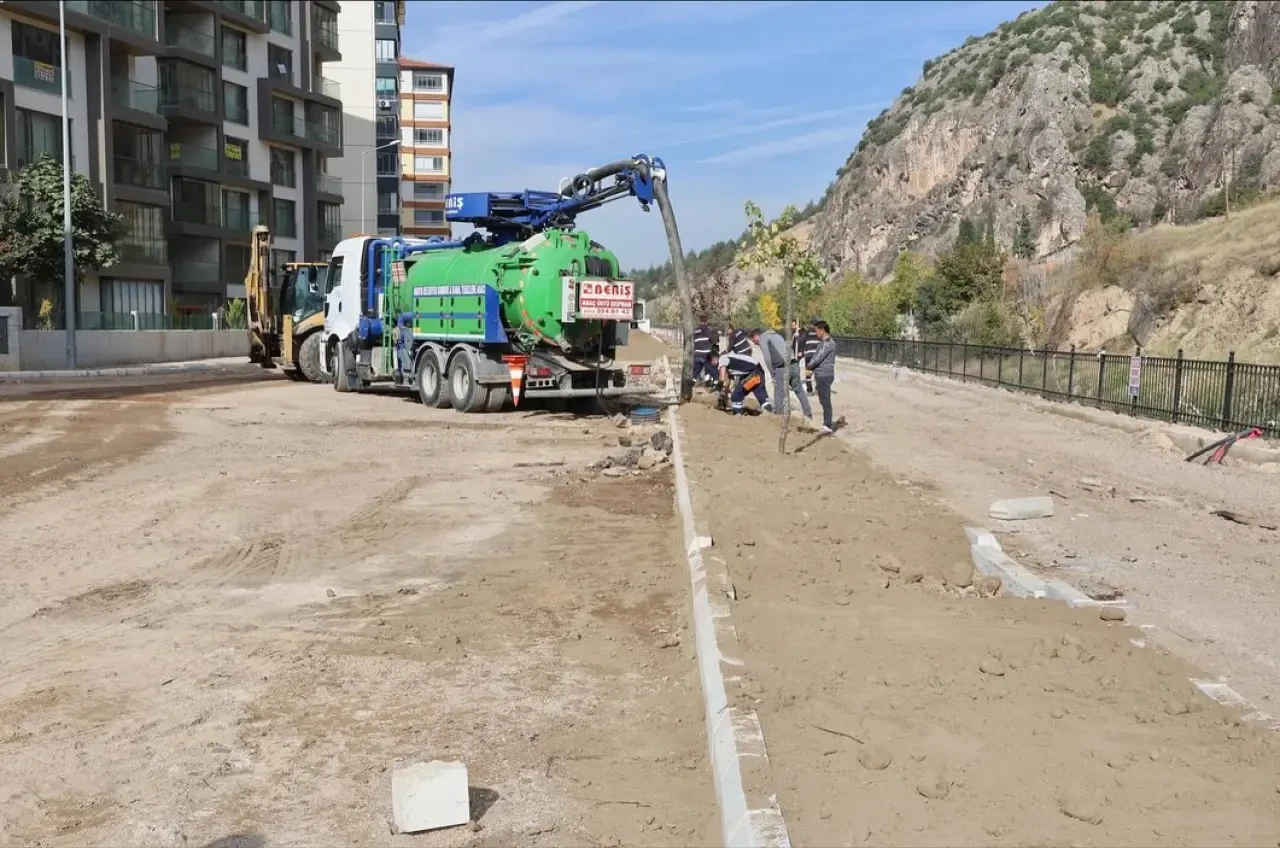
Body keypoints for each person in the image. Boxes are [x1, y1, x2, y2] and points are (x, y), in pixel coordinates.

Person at [751, 326, 812, 423]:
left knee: (778, 393)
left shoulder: (763, 339)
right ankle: (808, 414)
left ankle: (778, 418)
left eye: (753, 340)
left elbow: (767, 358)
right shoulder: (776, 335)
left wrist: (772, 374)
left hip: (782, 367)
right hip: (794, 364)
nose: (754, 343)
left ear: (756, 336)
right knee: (799, 390)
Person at [718, 348, 770, 415]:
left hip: (753, 373)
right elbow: (728, 380)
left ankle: (738, 415)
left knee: (736, 396)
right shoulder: (732, 360)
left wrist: (719, 389)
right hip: (759, 372)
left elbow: (722, 378)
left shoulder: (722, 358)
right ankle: (771, 415)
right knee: (762, 398)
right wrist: (725, 393)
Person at [808, 320, 837, 435]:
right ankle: (827, 423)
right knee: (823, 399)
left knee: (825, 400)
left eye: (816, 331)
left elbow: (818, 357)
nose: (816, 334)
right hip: (821, 374)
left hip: (825, 375)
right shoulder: (823, 342)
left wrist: (809, 366)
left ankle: (827, 425)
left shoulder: (828, 343)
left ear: (822, 330)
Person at [691, 316, 719, 388]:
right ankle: (716, 385)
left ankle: (691, 385)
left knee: (696, 371)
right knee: (712, 369)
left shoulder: (696, 330)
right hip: (705, 354)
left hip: (697, 354)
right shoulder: (706, 328)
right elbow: (713, 339)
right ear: (707, 321)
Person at [796, 317, 821, 395]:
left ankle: (809, 391)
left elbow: (800, 340)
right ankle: (818, 389)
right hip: (817, 355)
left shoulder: (807, 332)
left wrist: (797, 335)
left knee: (808, 374)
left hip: (809, 355)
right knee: (817, 373)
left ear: (811, 324)